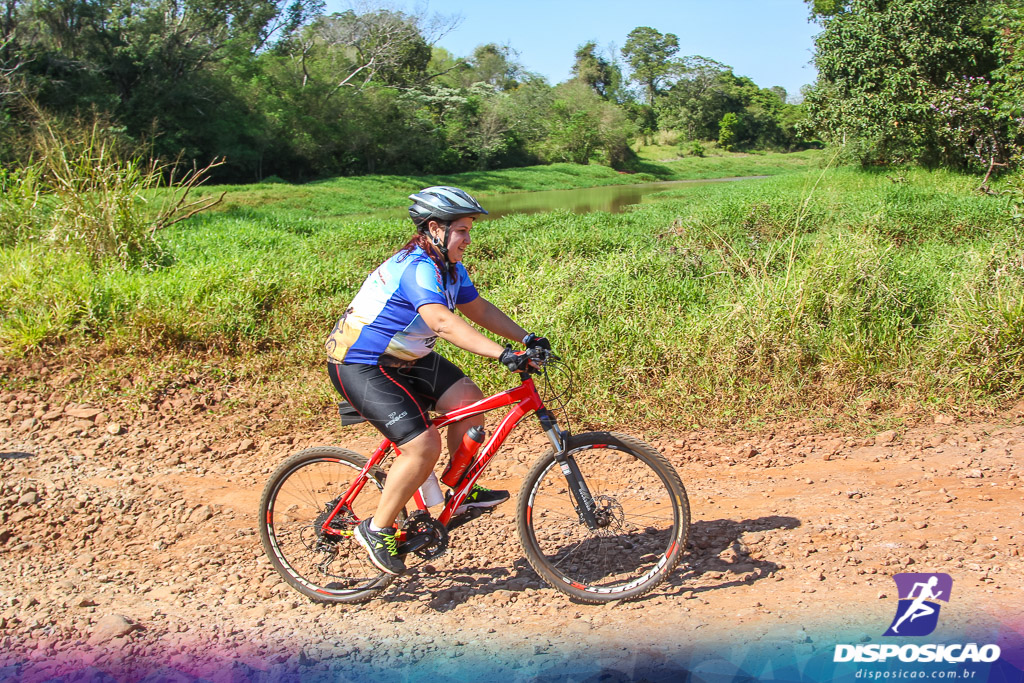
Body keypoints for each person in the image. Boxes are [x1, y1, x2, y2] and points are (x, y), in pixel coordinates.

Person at [324, 186, 549, 575]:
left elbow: (475, 307)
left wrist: (525, 338)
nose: (468, 239)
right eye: (461, 230)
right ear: (434, 229)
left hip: (409, 358)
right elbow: (443, 323)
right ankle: (376, 529)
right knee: (421, 444)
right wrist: (502, 355)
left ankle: (457, 495)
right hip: (361, 362)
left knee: (469, 400)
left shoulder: (449, 267)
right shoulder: (416, 267)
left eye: (468, 230)